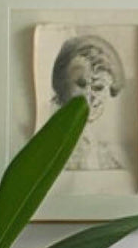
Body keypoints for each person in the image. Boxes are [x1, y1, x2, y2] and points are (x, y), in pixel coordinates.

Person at [51, 34, 129, 171]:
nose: (88, 96)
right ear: (63, 85)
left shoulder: (107, 157)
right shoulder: (52, 141)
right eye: (81, 85)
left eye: (98, 87)